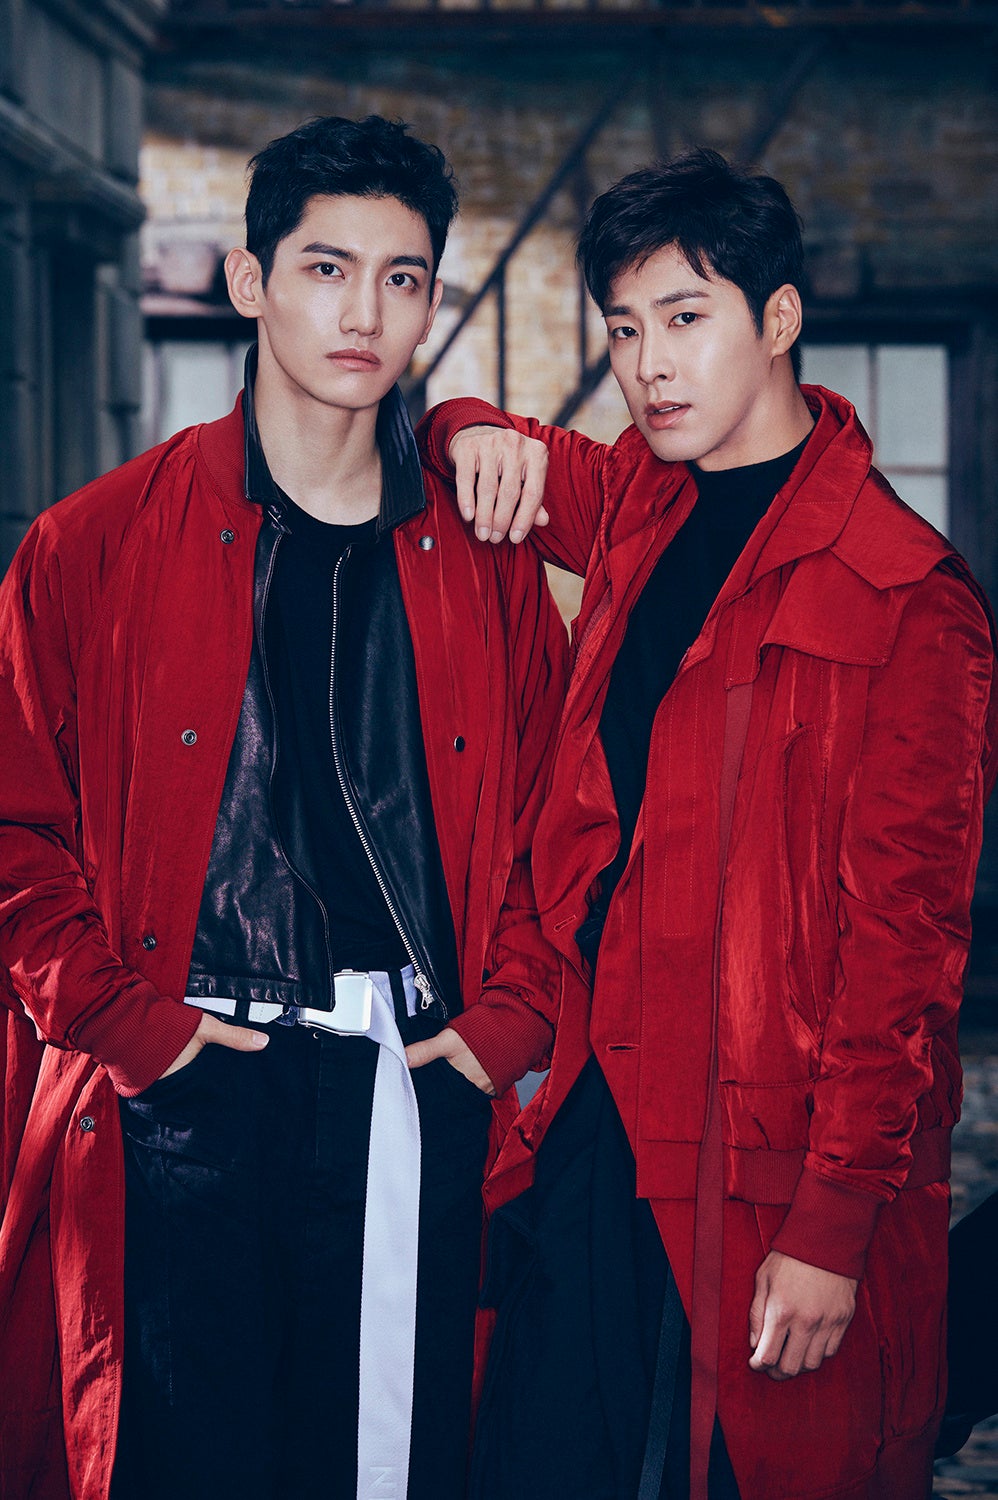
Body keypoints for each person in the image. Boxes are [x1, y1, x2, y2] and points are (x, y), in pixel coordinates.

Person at [0, 114, 570, 1500]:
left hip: (408, 1075)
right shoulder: (92, 543)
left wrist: (506, 1023)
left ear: (429, 300)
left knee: (382, 1467)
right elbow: (15, 831)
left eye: (400, 277)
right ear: (251, 282)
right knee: (175, 1462)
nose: (363, 313)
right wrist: (132, 1029)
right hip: (181, 1085)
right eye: (326, 268)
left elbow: (570, 821)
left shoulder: (484, 558)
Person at [418, 148, 998, 1500]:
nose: (649, 367)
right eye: (623, 331)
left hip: (764, 1155)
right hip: (594, 1110)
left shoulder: (905, 596)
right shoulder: (641, 494)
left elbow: (904, 953)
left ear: (777, 317)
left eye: (685, 319)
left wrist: (834, 1222)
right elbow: (479, 442)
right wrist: (463, 424)